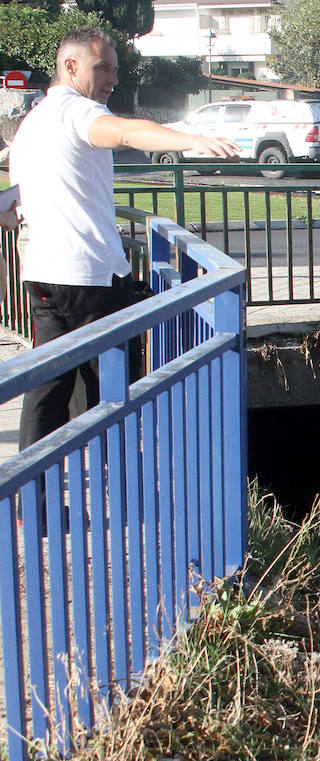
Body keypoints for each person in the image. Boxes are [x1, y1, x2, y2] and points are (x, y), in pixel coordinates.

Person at [8, 26, 238, 450]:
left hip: (42, 272)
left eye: (115, 69)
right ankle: (117, 475)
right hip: (87, 273)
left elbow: (14, 203)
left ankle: (30, 505)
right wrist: (192, 141)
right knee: (110, 386)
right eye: (103, 69)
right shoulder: (75, 111)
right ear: (70, 66)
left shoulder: (32, 123)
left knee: (49, 387)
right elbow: (128, 132)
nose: (113, 79)